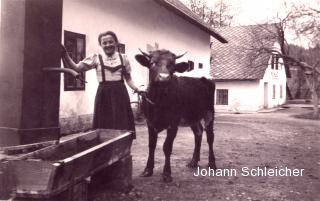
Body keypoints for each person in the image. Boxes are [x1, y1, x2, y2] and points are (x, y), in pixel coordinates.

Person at [61, 31, 141, 137]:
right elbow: (76, 68)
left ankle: (122, 146)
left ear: (116, 43)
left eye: (111, 42)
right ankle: (105, 148)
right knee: (103, 125)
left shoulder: (123, 58)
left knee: (122, 124)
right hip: (104, 94)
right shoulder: (96, 58)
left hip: (120, 94)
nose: (108, 45)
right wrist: (64, 53)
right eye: (104, 43)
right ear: (101, 45)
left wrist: (137, 89)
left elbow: (128, 79)